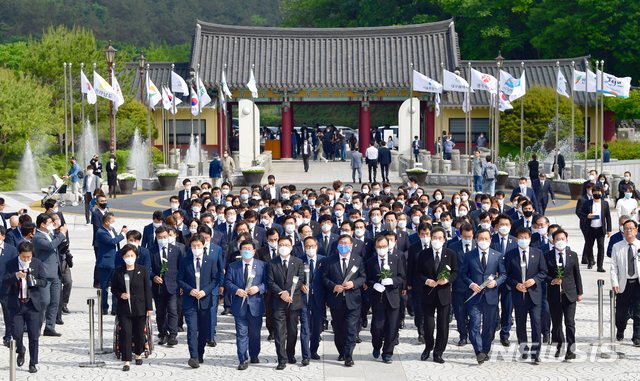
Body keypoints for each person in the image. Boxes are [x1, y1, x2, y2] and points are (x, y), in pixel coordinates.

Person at [460, 228, 506, 364]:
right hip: (474, 296)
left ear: (490, 240)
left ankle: (485, 349)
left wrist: (496, 282)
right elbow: (463, 274)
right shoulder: (469, 255)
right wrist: (470, 284)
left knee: (489, 326)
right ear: (476, 240)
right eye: (481, 239)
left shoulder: (497, 255)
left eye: (486, 239)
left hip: (491, 296)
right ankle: (478, 350)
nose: (484, 241)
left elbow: (503, 274)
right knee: (474, 324)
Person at [3, 241, 47, 373]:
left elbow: (44, 281)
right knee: (16, 333)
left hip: (32, 305)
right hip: (16, 305)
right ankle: (20, 350)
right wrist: (16, 276)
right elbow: (5, 281)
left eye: (29, 256)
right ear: (19, 254)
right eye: (24, 257)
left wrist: (35, 281)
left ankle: (33, 363)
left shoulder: (37, 263)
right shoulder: (11, 264)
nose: (27, 259)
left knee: (34, 336)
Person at [322, 234, 366, 367]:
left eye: (346, 243)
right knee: (339, 328)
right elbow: (324, 278)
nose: (343, 245)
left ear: (351, 246)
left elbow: (363, 277)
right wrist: (333, 286)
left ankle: (349, 355)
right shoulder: (330, 260)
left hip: (353, 301)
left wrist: (354, 283)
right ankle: (341, 351)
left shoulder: (358, 260)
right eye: (341, 243)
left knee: (351, 328)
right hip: (336, 301)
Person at [178, 234, 220, 368]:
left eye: (199, 246)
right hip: (190, 301)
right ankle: (193, 356)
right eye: (193, 246)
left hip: (205, 301)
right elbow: (179, 279)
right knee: (192, 329)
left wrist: (205, 291)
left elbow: (215, 279)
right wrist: (189, 290)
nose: (196, 248)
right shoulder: (185, 261)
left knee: (203, 330)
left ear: (203, 246)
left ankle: (200, 352)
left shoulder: (211, 260)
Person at [506, 227, 548, 363]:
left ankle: (536, 353)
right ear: (516, 239)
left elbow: (543, 271)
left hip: (534, 295)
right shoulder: (511, 254)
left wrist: (534, 280)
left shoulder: (538, 253)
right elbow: (506, 275)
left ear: (530, 239)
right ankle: (524, 350)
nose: (524, 240)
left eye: (526, 238)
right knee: (520, 324)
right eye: (521, 238)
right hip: (519, 296)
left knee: (536, 324)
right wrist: (515, 284)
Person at [417, 227, 458, 363]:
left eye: (440, 238)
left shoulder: (450, 254)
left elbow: (455, 272)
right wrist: (426, 280)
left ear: (444, 240)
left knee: (443, 325)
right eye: (434, 237)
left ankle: (438, 352)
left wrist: (448, 280)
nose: (437, 240)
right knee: (428, 325)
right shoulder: (424, 254)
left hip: (443, 295)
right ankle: (428, 347)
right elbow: (418, 273)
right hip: (428, 294)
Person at [226, 239, 268, 370]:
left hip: (256, 304)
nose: (247, 251)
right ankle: (242, 358)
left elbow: (267, 283)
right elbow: (227, 282)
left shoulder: (262, 265)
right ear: (240, 251)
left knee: (255, 333)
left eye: (249, 249)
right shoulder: (234, 266)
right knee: (241, 333)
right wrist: (236, 290)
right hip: (240, 305)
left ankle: (254, 354)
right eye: (244, 249)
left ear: (254, 251)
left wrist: (258, 289)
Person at [111, 244, 153, 371]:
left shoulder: (143, 270)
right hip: (124, 309)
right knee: (126, 333)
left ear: (136, 256)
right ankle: (126, 360)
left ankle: (138, 354)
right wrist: (120, 295)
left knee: (139, 333)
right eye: (127, 256)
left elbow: (147, 289)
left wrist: (149, 307)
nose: (129, 258)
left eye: (132, 255)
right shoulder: (119, 271)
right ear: (123, 257)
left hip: (140, 306)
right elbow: (114, 288)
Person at [543, 229, 583, 359]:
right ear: (553, 241)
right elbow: (543, 274)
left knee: (570, 322)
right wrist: (552, 281)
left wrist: (579, 292)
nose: (560, 241)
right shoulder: (547, 255)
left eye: (562, 239)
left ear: (566, 240)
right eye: (557, 239)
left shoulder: (573, 255)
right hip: (554, 295)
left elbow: (577, 275)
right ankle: (560, 345)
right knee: (557, 323)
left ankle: (571, 349)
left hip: (569, 294)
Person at [267, 236, 305, 370]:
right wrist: (282, 293)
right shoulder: (272, 263)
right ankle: (281, 358)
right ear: (277, 247)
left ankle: (290, 354)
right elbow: (270, 281)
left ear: (291, 247)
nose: (284, 247)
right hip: (278, 302)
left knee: (293, 330)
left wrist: (289, 292)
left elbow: (300, 280)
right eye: (281, 244)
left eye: (287, 244)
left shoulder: (298, 262)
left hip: (294, 301)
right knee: (279, 331)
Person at [366, 235, 405, 363]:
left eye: (384, 246)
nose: (382, 249)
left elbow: (402, 277)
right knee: (377, 326)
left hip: (393, 298)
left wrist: (392, 281)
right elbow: (367, 279)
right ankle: (377, 345)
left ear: (388, 246)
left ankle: (387, 353)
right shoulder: (370, 262)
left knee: (392, 327)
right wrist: (374, 285)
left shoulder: (396, 259)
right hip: (378, 298)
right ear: (375, 248)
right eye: (379, 247)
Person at [32, 213, 67, 336]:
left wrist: (63, 241)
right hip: (44, 274)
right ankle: (36, 327)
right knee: (44, 301)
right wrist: (61, 234)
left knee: (55, 301)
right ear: (42, 224)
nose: (52, 224)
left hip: (55, 273)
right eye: (49, 222)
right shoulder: (37, 237)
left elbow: (55, 248)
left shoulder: (51, 235)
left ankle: (50, 327)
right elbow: (50, 246)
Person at [149, 226, 181, 346]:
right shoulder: (151, 251)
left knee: (173, 310)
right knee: (160, 312)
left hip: (173, 286)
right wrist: (154, 277)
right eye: (159, 237)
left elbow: (180, 268)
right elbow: (148, 268)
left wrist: (180, 284)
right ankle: (162, 334)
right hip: (158, 287)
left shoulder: (176, 250)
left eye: (164, 237)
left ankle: (173, 335)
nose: (162, 239)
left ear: (168, 236)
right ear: (156, 238)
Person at [610, 219, 640, 344]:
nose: (628, 231)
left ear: (636, 231)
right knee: (621, 311)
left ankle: (637, 336)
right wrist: (614, 283)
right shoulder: (617, 247)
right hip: (624, 283)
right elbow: (613, 267)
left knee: (638, 311)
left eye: (631, 228)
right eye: (626, 228)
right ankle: (620, 330)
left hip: (637, 282)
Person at [298, 236, 326, 362]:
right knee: (305, 327)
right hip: (304, 299)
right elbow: (294, 278)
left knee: (317, 327)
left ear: (317, 246)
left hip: (319, 299)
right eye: (308, 246)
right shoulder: (299, 260)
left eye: (312, 246)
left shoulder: (324, 260)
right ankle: (306, 355)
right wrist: (300, 285)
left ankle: (314, 350)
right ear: (304, 248)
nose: (310, 248)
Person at [96, 212, 127, 315]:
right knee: (104, 287)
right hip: (105, 263)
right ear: (106, 222)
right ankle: (104, 307)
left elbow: (115, 241)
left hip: (115, 261)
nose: (113, 223)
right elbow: (111, 241)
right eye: (112, 221)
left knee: (115, 286)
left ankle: (115, 307)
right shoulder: (101, 232)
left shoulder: (111, 229)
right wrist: (123, 234)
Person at [579, 185, 611, 271]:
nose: (597, 194)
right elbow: (580, 213)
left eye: (599, 192)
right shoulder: (587, 203)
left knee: (601, 247)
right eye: (595, 192)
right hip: (590, 228)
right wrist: (587, 216)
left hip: (600, 229)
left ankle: (600, 266)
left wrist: (609, 229)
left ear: (602, 193)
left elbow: (608, 217)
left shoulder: (605, 204)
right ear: (592, 193)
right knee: (589, 246)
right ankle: (590, 261)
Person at [0, 226, 18, 347]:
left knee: (8, 313)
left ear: (3, 236)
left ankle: (8, 336)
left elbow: (14, 268)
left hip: (5, 287)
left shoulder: (11, 250)